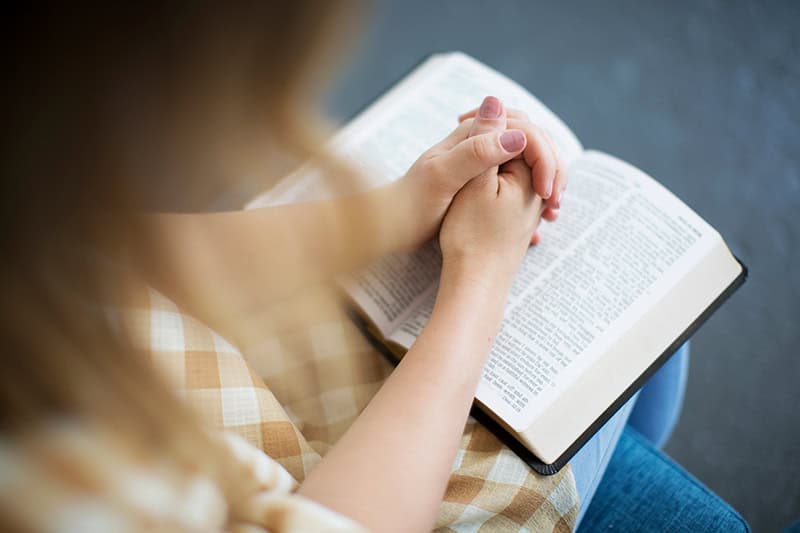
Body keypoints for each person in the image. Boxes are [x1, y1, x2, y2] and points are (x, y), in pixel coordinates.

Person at [1, 3, 736, 533]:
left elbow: (92, 260)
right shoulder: (63, 491)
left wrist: (389, 213)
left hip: (219, 389)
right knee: (635, 349)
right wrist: (479, 278)